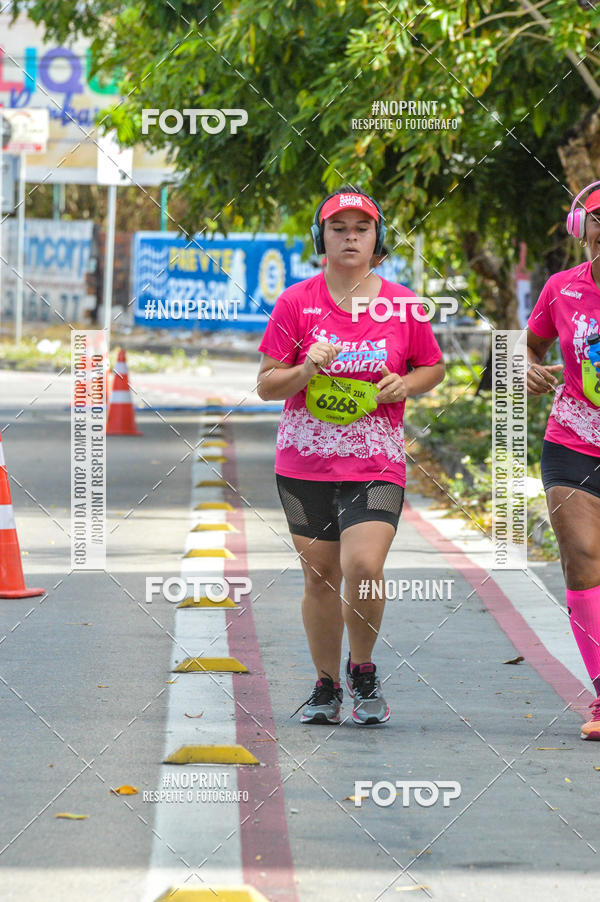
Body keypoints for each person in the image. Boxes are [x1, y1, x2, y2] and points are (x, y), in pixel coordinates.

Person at [256, 186, 445, 725]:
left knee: (362, 565)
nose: (350, 238)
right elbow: (267, 385)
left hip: (375, 461)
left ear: (376, 239)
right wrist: (305, 369)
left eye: (361, 229)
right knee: (319, 575)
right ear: (322, 238)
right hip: (304, 462)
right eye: (338, 228)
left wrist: (403, 384)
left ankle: (362, 669)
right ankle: (325, 684)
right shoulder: (297, 303)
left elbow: (434, 368)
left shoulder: (402, 302)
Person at [527, 181, 600, 740]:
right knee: (582, 557)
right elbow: (530, 345)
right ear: (582, 230)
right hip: (573, 439)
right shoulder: (561, 289)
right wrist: (527, 366)